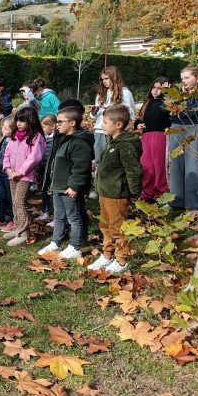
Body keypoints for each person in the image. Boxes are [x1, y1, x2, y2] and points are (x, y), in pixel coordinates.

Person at [88, 105, 143, 274]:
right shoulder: (112, 142)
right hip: (106, 193)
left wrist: (134, 191)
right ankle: (107, 254)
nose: (102, 125)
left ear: (118, 124)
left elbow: (133, 170)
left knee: (118, 228)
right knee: (105, 226)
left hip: (117, 195)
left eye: (105, 122)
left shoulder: (126, 145)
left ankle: (121, 260)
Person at [38, 105, 94, 260]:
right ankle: (56, 242)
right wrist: (52, 184)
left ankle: (76, 246)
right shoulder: (62, 139)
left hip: (69, 188)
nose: (57, 125)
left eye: (60, 121)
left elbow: (81, 167)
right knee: (59, 216)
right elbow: (55, 164)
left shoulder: (80, 142)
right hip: (58, 186)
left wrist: (75, 186)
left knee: (74, 217)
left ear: (72, 123)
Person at [89, 66, 136, 198]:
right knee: (99, 160)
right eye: (102, 79)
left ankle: (113, 187)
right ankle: (97, 188)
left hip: (116, 132)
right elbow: (96, 116)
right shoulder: (101, 94)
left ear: (114, 78)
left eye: (107, 79)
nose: (104, 82)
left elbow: (130, 113)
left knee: (113, 161)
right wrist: (94, 112)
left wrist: (115, 109)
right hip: (100, 130)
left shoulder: (125, 93)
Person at [2, 107, 46, 247]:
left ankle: (24, 232)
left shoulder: (36, 137)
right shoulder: (14, 136)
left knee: (19, 202)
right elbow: (7, 154)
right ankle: (17, 227)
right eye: (17, 121)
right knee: (14, 202)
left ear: (30, 121)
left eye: (22, 121)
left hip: (25, 176)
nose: (19, 123)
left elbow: (34, 158)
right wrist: (8, 169)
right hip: (12, 174)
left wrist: (20, 172)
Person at [168, 66, 198, 212]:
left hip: (196, 128)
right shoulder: (178, 94)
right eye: (182, 79)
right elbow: (169, 112)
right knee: (176, 166)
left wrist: (181, 110)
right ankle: (175, 201)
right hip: (176, 128)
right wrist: (181, 108)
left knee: (194, 166)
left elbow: (195, 111)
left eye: (187, 78)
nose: (183, 81)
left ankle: (195, 204)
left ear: (197, 78)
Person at [135, 77, 171, 201]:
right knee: (146, 164)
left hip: (160, 135)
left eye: (159, 88)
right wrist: (138, 125)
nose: (155, 90)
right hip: (146, 136)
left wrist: (169, 95)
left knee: (159, 164)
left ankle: (160, 192)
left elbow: (170, 117)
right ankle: (147, 192)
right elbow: (139, 119)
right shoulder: (147, 102)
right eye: (154, 88)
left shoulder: (167, 103)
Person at [37, 114, 58, 223]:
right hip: (44, 170)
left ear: (52, 126)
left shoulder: (57, 140)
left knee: (53, 194)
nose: (42, 129)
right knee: (44, 191)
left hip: (53, 171)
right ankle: (45, 212)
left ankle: (56, 216)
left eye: (44, 127)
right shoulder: (43, 138)